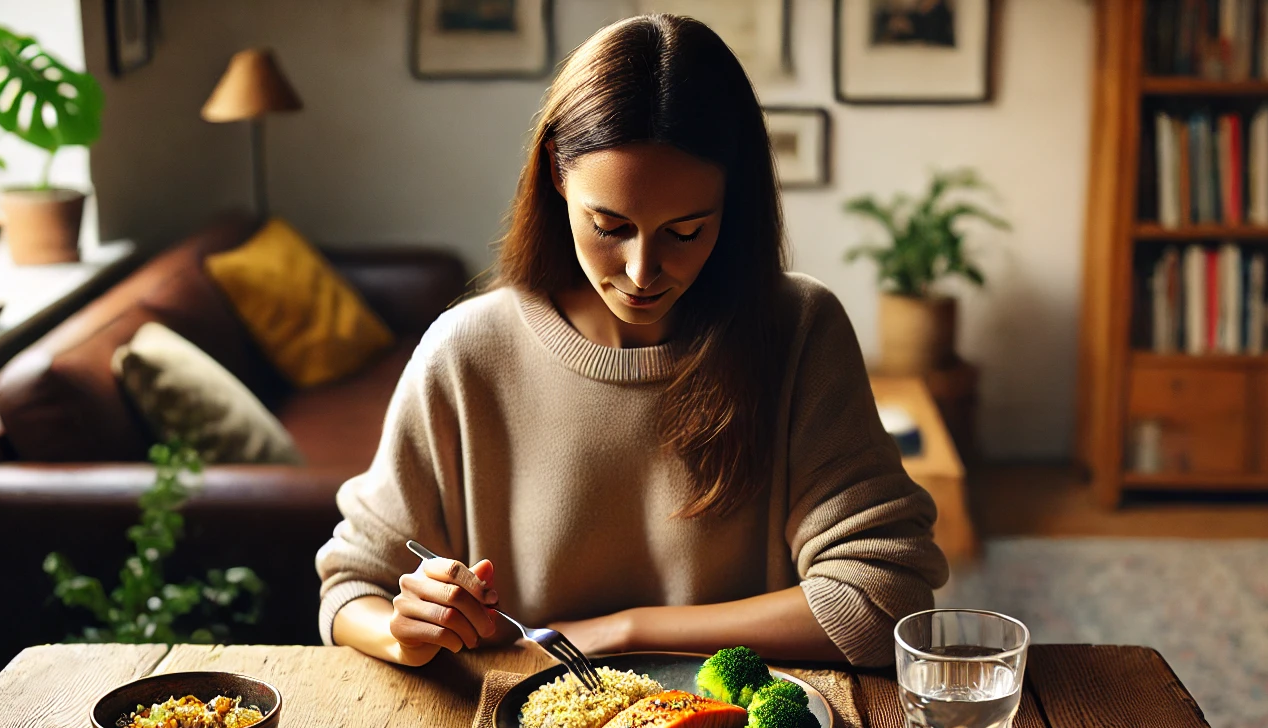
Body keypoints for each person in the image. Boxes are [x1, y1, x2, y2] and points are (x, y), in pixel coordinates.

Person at [318, 14, 948, 669]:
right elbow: (350, 588)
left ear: (732, 202)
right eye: (610, 225)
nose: (643, 272)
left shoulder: (799, 331)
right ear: (558, 173)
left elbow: (884, 601)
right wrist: (409, 631)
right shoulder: (466, 352)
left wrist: (620, 632)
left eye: (685, 231)